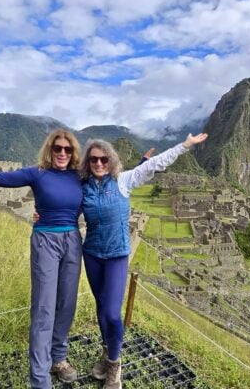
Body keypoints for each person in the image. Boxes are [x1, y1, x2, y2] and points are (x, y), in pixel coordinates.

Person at [0, 120, 83, 389]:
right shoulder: (37, 173)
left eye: (67, 150)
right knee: (44, 308)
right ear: (50, 149)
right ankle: (40, 379)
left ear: (73, 153)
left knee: (67, 304)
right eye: (57, 148)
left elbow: (111, 180)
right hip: (46, 239)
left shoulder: (78, 176)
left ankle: (58, 358)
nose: (62, 153)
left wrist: (143, 162)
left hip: (73, 240)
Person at [80, 133, 207, 389]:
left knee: (112, 314)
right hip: (92, 254)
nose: (99, 163)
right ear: (87, 162)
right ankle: (106, 354)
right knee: (101, 308)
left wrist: (185, 146)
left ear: (111, 160)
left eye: (104, 158)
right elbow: (62, 203)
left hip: (116, 256)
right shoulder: (82, 187)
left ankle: (115, 364)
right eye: (94, 159)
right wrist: (43, 215)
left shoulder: (123, 181)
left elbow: (154, 165)